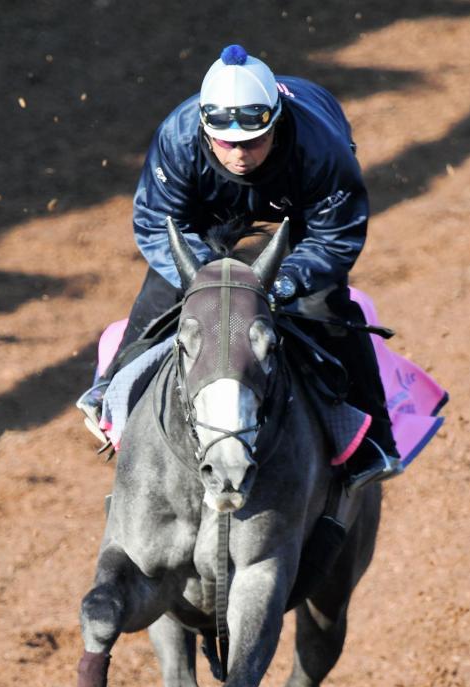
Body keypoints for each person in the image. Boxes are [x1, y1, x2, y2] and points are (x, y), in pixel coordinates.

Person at [79, 43, 401, 492]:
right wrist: (211, 281)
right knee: (157, 294)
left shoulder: (322, 147)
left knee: (330, 309)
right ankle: (107, 390)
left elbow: (336, 236)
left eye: (253, 141)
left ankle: (377, 441)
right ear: (206, 132)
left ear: (277, 124)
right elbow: (157, 224)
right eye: (226, 143)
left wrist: (285, 282)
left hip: (300, 212)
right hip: (205, 214)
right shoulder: (177, 135)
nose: (239, 155)